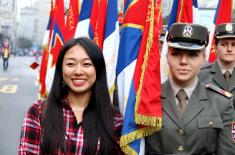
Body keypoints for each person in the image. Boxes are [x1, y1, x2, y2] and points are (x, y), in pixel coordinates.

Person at [18, 37, 123, 155]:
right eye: (71, 64)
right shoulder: (38, 112)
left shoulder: (114, 120)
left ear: (98, 70)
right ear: (61, 69)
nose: (78, 71)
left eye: (87, 64)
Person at [145, 23, 235, 154]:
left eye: (193, 55)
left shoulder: (221, 102)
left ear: (204, 58)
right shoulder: (148, 98)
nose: (183, 61)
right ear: (166, 56)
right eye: (176, 53)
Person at [199, 23, 235, 109]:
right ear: (215, 47)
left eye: (234, 45)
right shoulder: (201, 74)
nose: (229, 49)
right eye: (224, 44)